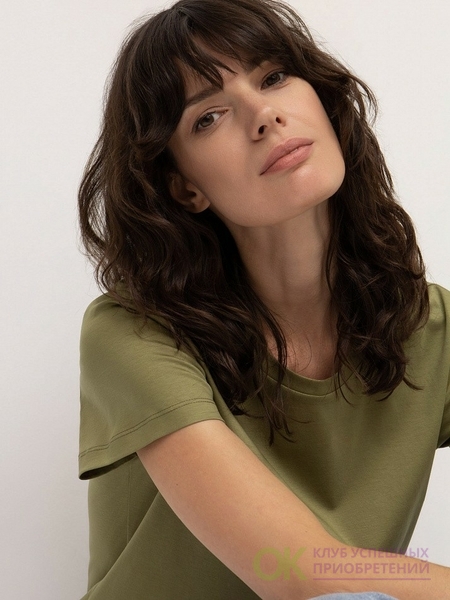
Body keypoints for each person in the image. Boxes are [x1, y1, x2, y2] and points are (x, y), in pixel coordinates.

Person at [77, 0, 450, 598]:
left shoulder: (427, 325)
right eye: (208, 117)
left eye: (274, 76)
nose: (264, 116)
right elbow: (304, 574)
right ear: (184, 187)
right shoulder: (133, 335)